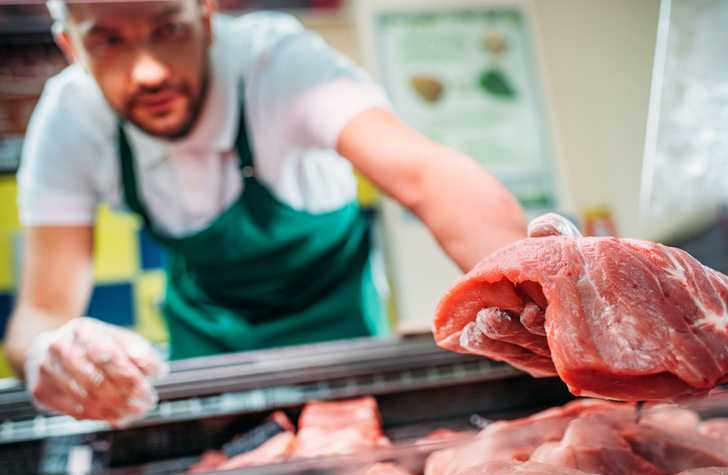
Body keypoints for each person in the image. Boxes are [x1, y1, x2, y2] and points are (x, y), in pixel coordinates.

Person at [3, 0, 527, 424]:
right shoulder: (71, 117)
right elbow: (42, 311)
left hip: (340, 339)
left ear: (205, 20)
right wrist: (52, 353)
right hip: (209, 352)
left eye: (169, 28)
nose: (149, 71)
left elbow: (428, 177)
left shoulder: (280, 63)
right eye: (107, 40)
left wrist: (535, 285)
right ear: (71, 46)